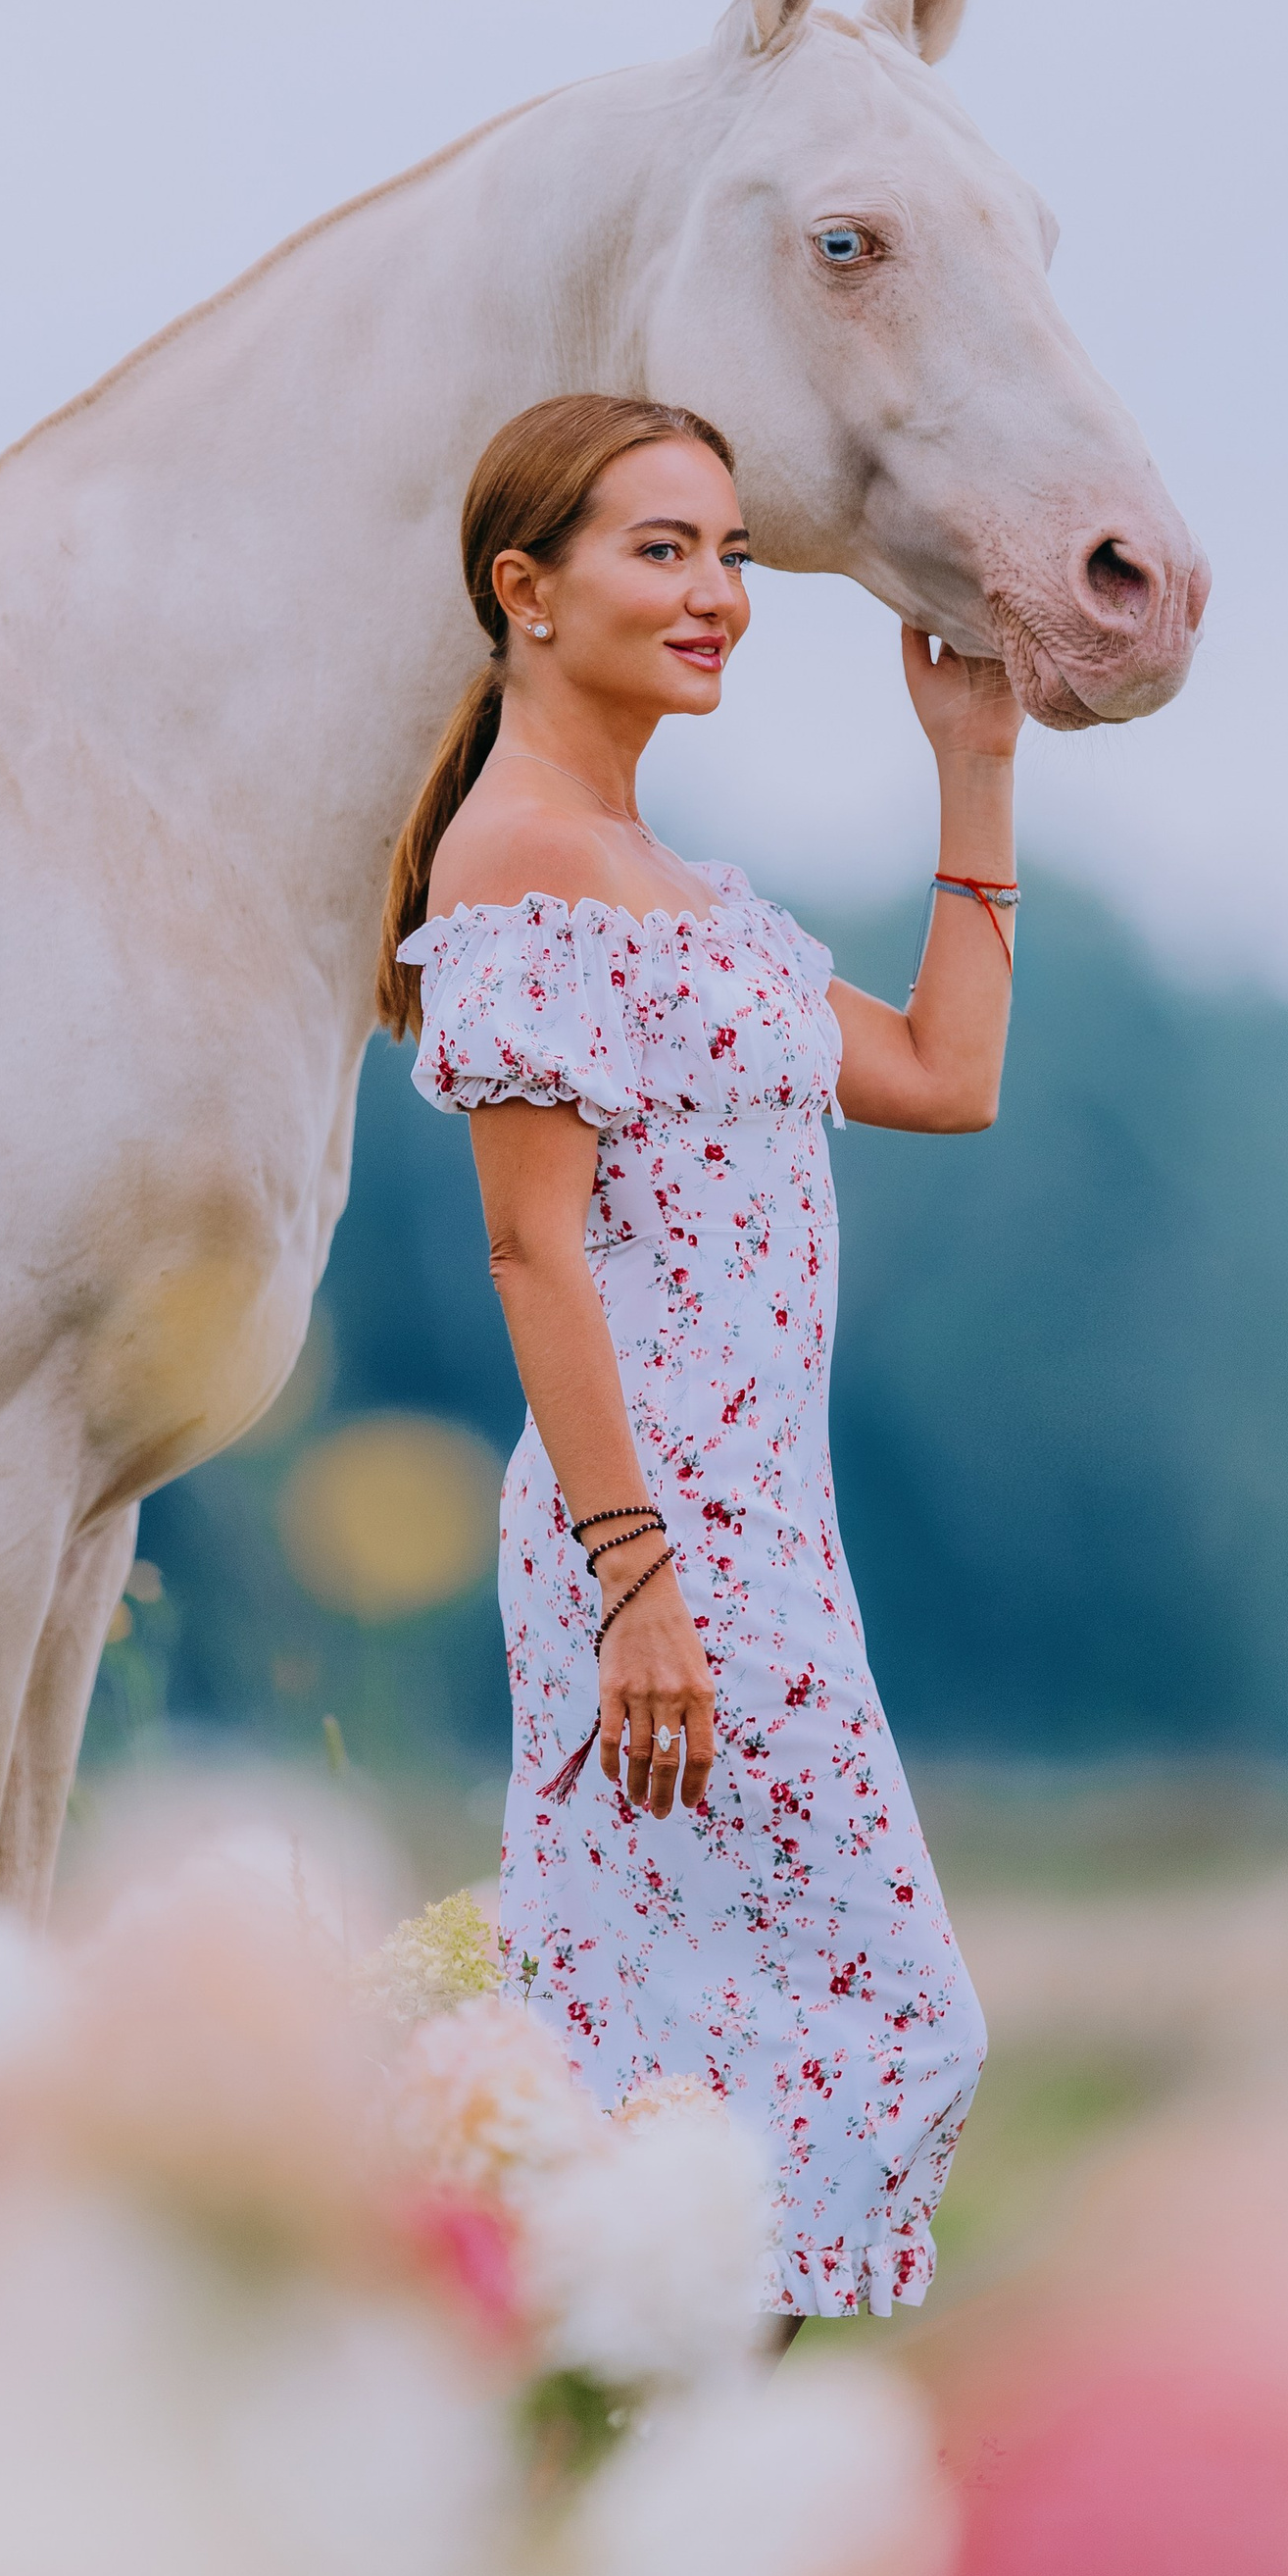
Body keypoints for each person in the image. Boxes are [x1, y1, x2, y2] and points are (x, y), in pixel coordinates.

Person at [379, 393, 1012, 2336]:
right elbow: (528, 1247)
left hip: (758, 1542)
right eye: (662, 548)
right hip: (651, 1543)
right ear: (526, 590)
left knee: (686, 2071)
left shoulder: (660, 880)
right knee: (888, 2026)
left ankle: (613, 2453)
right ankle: (623, 2423)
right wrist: (636, 1580)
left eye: (729, 550)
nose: (719, 590)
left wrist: (971, 764)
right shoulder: (520, 865)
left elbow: (939, 1071)